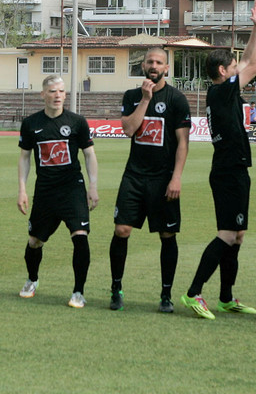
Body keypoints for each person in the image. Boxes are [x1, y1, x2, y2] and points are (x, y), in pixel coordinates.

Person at [181, 0, 256, 320]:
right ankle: (194, 292)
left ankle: (226, 297)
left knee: (238, 235)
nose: (238, 69)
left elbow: (248, 59)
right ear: (223, 71)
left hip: (233, 169)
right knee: (227, 235)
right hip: (228, 171)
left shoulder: (223, 91)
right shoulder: (221, 91)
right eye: (233, 67)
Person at [109, 47, 191, 313]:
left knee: (167, 234)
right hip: (134, 176)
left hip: (163, 179)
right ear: (142, 66)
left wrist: (176, 178)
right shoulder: (132, 96)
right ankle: (116, 289)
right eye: (149, 62)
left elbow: (182, 143)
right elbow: (129, 130)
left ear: (167, 68)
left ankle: (165, 295)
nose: (153, 66)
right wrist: (145, 99)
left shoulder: (177, 99)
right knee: (122, 230)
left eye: (159, 62)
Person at [17, 75, 99, 308]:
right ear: (43, 94)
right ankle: (32, 280)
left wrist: (93, 186)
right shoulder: (31, 124)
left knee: (80, 236)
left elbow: (89, 154)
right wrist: (22, 190)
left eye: (61, 91)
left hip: (73, 188)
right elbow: (24, 158)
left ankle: (78, 292)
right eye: (52, 91)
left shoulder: (77, 122)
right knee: (34, 241)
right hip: (45, 191)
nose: (57, 95)